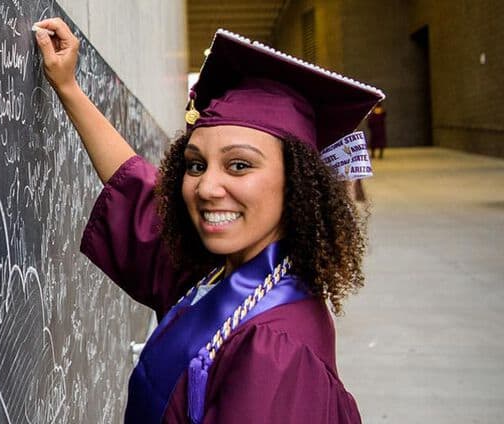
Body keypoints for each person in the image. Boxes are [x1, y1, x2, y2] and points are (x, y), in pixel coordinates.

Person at [34, 18, 383, 424]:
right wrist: (68, 88)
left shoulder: (274, 349)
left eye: (238, 165)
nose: (205, 188)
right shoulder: (224, 275)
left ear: (297, 186)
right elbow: (139, 195)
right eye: (196, 165)